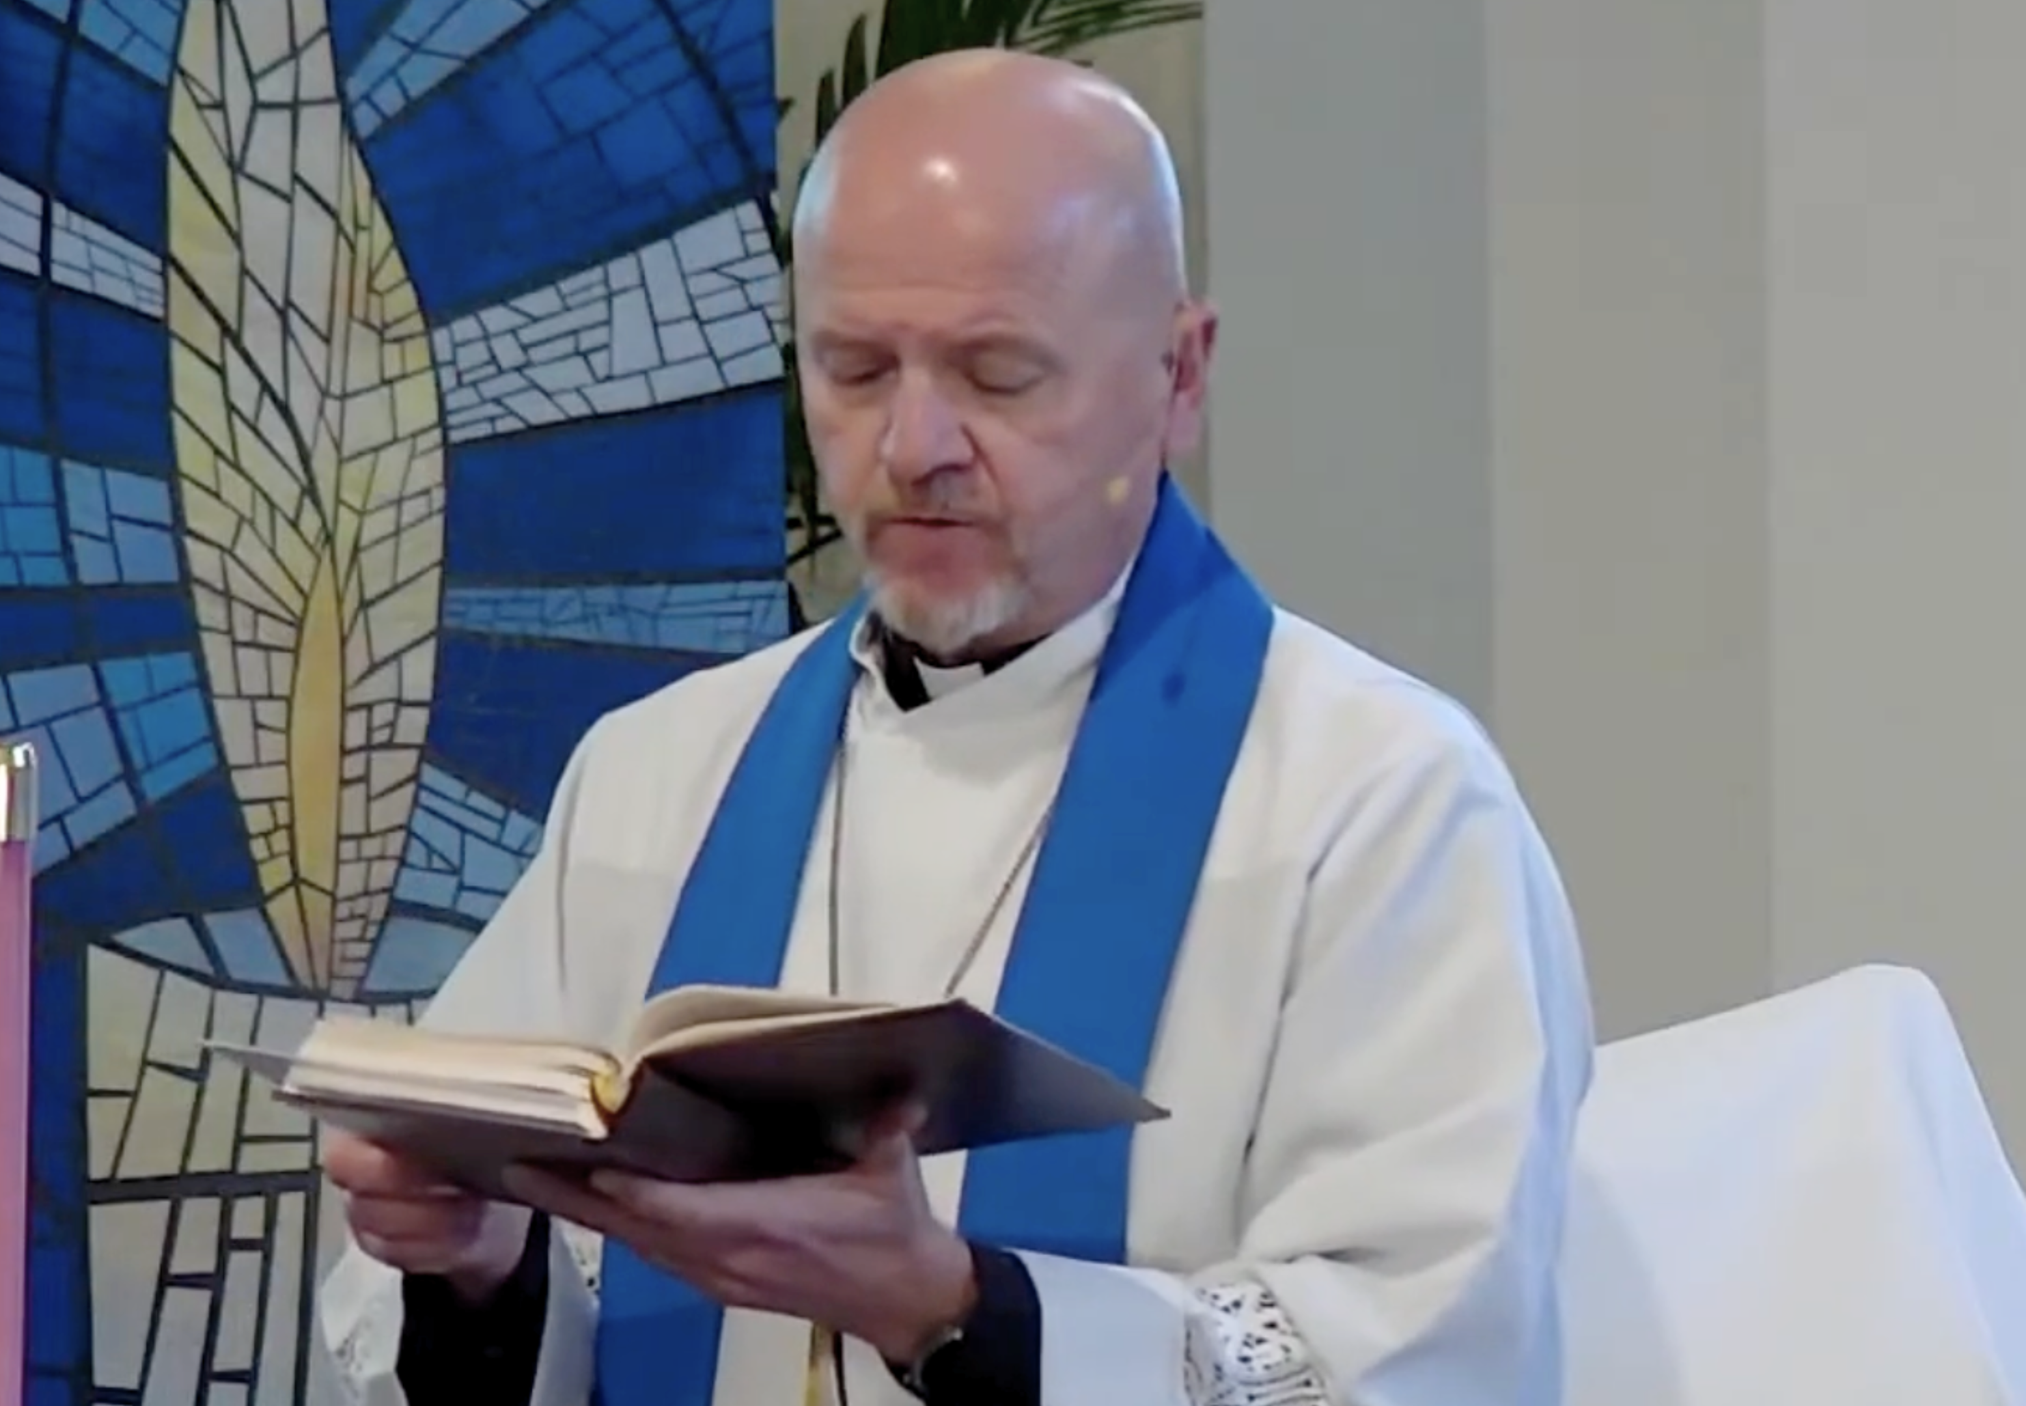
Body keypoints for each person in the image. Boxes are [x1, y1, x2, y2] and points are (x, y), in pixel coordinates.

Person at [314, 46, 1596, 1406]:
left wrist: (951, 1307)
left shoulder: (1376, 804)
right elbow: (480, 1304)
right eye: (855, 369)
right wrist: (477, 1264)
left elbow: (1429, 1351)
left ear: (1179, 375)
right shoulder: (657, 779)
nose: (913, 444)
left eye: (996, 373)